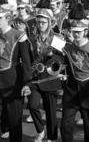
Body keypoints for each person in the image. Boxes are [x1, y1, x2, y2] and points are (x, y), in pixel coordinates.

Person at [0, 4, 32, 142]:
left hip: (14, 83)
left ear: (8, 18)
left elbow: (27, 63)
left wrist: (28, 83)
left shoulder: (19, 35)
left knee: (14, 121)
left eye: (0, 18)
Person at [27, 8, 63, 142]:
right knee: (32, 105)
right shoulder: (32, 38)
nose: (40, 25)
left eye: (43, 22)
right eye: (38, 22)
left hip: (50, 78)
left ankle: (52, 137)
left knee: (51, 111)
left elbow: (61, 59)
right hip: (35, 78)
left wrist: (52, 56)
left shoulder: (57, 38)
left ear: (49, 22)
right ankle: (40, 130)